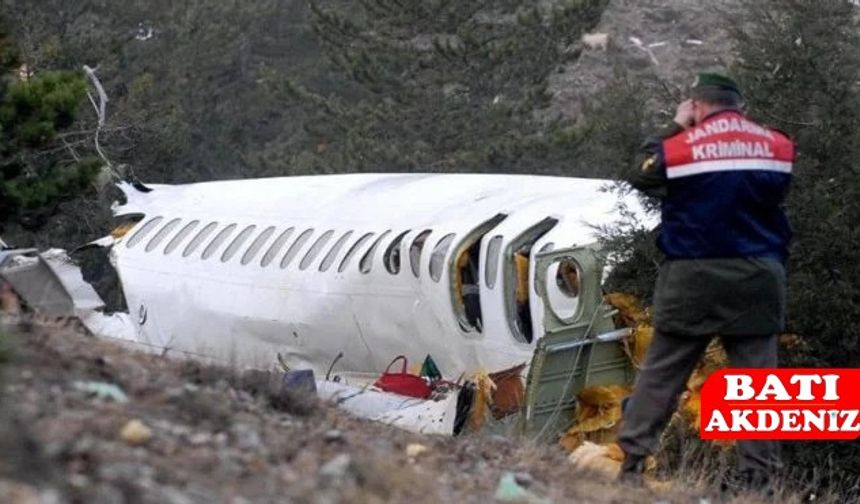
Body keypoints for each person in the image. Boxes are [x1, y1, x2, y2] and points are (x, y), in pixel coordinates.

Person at [617, 72, 794, 490]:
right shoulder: (777, 144)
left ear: (697, 105)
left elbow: (642, 173)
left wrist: (676, 126)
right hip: (758, 275)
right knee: (758, 383)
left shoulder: (680, 148)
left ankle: (632, 468)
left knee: (663, 373)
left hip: (692, 274)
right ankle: (760, 482)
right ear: (741, 107)